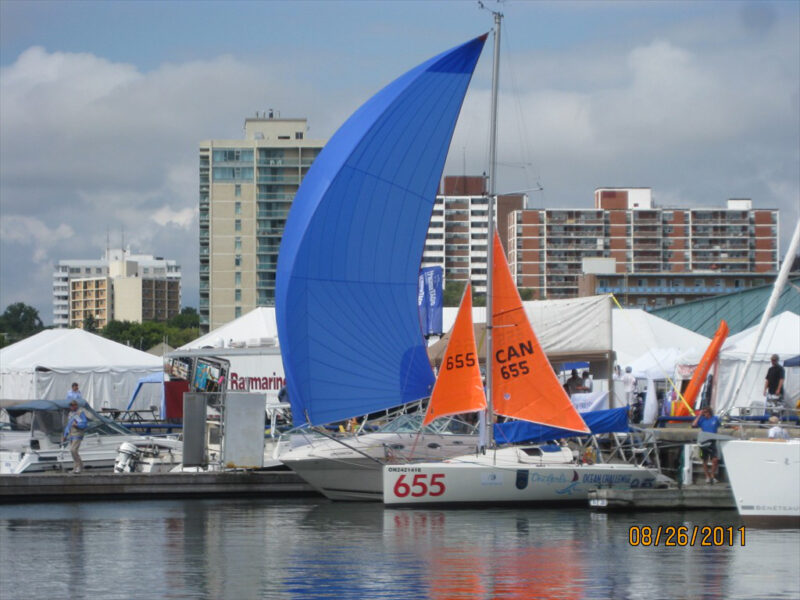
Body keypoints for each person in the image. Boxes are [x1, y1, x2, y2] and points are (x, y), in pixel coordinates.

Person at [692, 406, 721, 484]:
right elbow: (693, 425)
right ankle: (707, 476)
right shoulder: (702, 420)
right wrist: (699, 415)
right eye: (703, 412)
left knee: (715, 459)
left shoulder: (715, 419)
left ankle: (712, 476)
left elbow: (722, 424)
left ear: (709, 412)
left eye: (705, 412)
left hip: (712, 441)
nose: (704, 414)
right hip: (703, 441)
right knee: (704, 460)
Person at [63, 398, 88, 474]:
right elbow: (68, 425)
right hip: (71, 434)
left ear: (76, 405)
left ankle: (79, 467)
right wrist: (65, 434)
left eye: (73, 405)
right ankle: (77, 467)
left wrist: (77, 425)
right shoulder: (70, 414)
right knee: (73, 452)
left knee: (73, 450)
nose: (72, 407)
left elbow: (84, 423)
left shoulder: (80, 413)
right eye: (70, 405)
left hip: (77, 434)